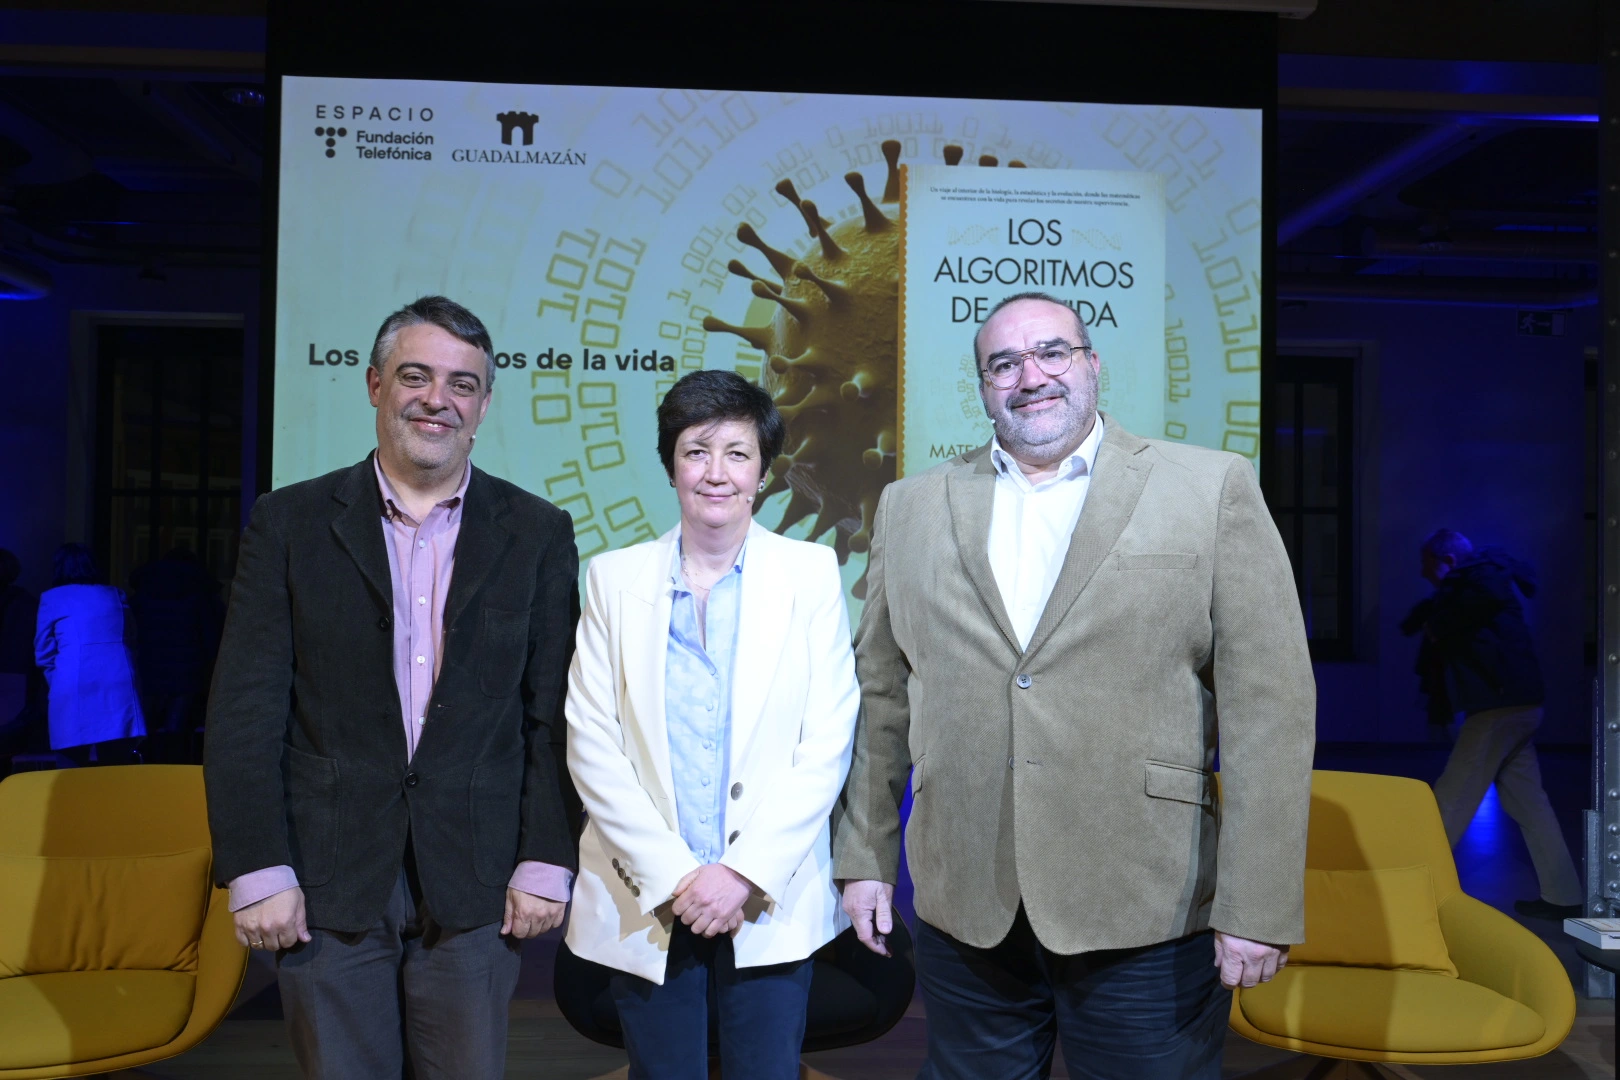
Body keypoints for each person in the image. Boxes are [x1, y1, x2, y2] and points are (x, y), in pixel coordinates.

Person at [835, 292, 1316, 1080]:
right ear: (984, 387)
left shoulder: (1209, 488)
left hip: (1145, 902)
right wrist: (863, 857)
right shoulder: (911, 506)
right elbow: (881, 695)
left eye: (1052, 353)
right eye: (1005, 363)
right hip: (967, 900)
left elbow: (1271, 713)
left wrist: (1257, 906)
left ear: (1091, 364)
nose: (1032, 376)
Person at [204, 296, 580, 1079]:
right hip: (324, 873)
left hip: (476, 878)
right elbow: (245, 709)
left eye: (462, 384)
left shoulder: (538, 530)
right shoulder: (289, 522)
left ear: (482, 405)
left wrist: (547, 857)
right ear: (375, 385)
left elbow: (551, 715)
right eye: (416, 376)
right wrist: (258, 867)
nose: (437, 399)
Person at [564, 369, 859, 1080]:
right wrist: (676, 877)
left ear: (762, 472)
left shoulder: (810, 573)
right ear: (671, 465)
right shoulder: (613, 577)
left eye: (737, 453)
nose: (716, 473)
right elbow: (592, 741)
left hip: (766, 898)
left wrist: (742, 874)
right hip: (649, 895)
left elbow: (828, 738)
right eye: (697, 451)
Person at [1411, 528, 1583, 920]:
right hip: (1518, 705)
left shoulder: (1475, 584)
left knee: (1451, 798)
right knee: (1529, 803)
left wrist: (1436, 625)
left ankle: (1409, 889)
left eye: (1427, 566)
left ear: (1447, 561)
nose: (1424, 575)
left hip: (1497, 708)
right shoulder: (1482, 583)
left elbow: (1453, 628)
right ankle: (1564, 895)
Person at [34, 543, 146, 758]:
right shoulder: (115, 595)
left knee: (72, 756)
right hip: (118, 677)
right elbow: (131, 638)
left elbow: (44, 651)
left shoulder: (52, 598)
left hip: (72, 678)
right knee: (116, 756)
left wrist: (57, 682)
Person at [130, 545, 223, 762]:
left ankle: (145, 782)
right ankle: (174, 784)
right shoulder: (201, 595)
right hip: (187, 675)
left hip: (148, 672)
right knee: (177, 737)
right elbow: (211, 638)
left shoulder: (144, 592)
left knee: (147, 735)